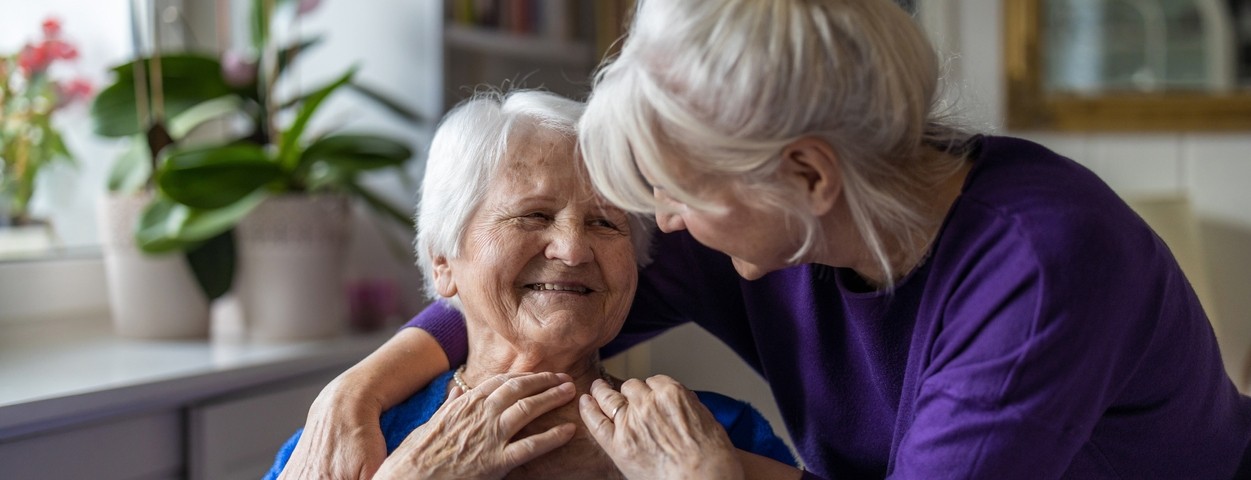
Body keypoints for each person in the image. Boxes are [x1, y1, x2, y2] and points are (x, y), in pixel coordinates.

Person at [282, 1, 1251, 478]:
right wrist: (359, 389)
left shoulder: (1041, 266)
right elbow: (544, 292)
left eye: (668, 193)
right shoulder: (755, 226)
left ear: (809, 175)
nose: (658, 227)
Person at [266, 89, 795, 480]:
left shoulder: (717, 435)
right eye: (533, 215)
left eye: (605, 223)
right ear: (444, 262)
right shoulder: (348, 442)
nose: (573, 249)